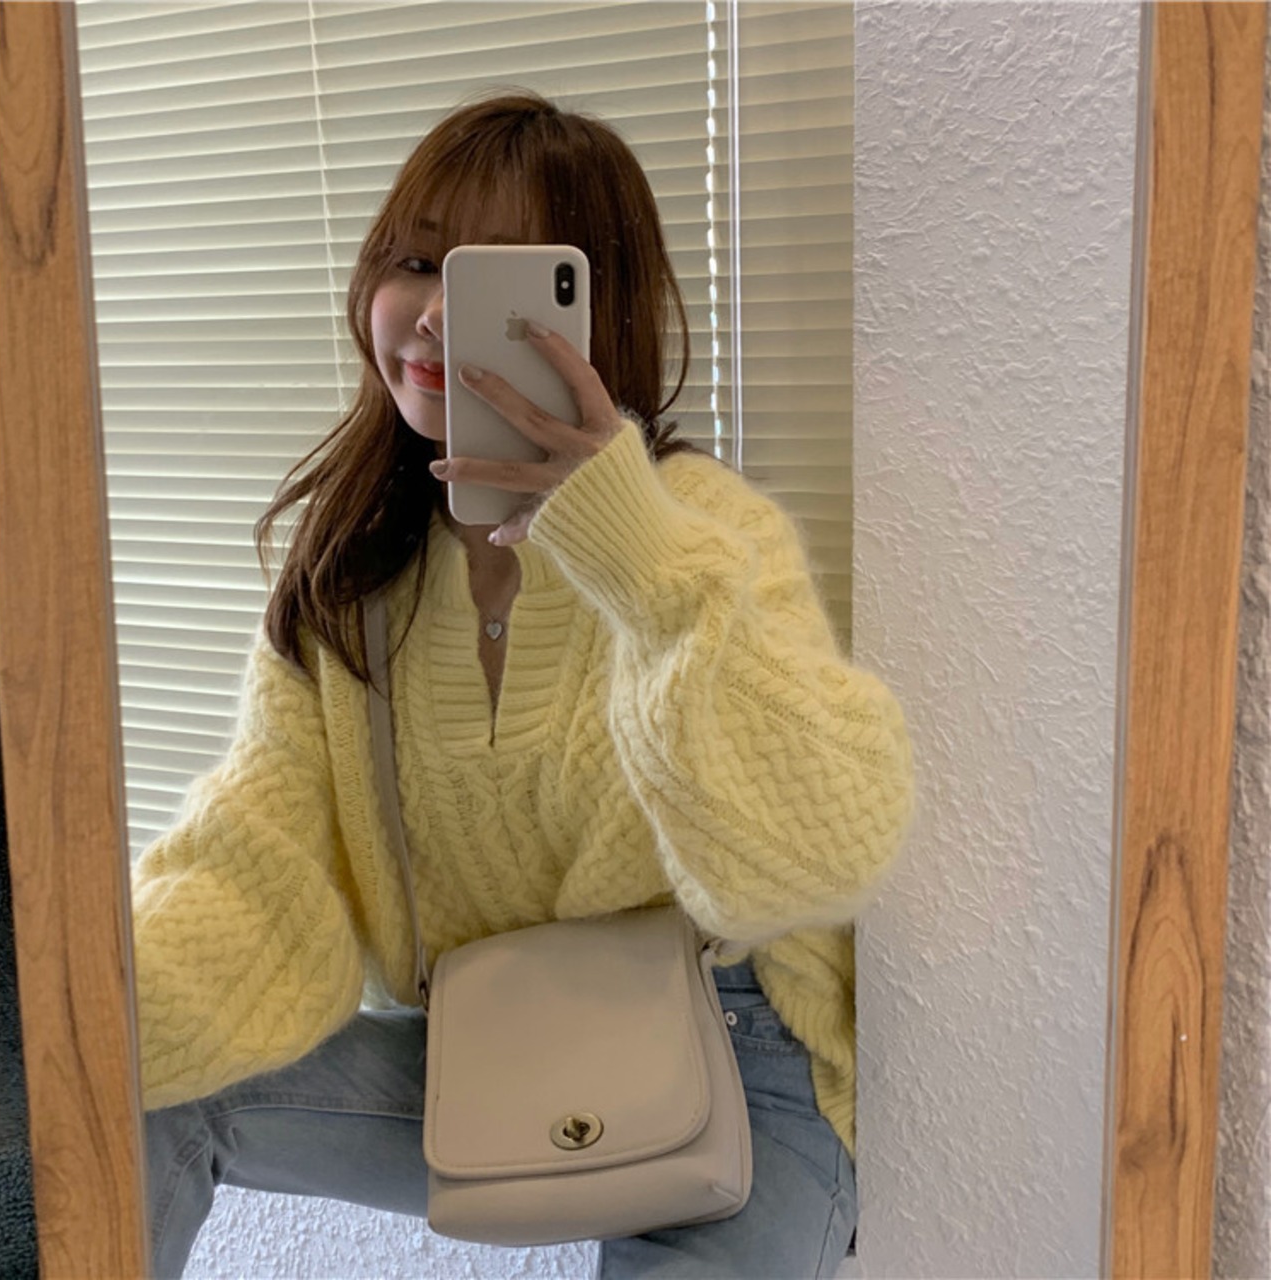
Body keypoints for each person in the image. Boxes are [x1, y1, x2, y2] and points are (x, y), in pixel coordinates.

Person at [135, 90, 915, 1280]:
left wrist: (631, 549)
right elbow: (256, 874)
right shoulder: (351, 576)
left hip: (732, 1057)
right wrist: (73, 1015)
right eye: (416, 260)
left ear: (594, 309)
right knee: (121, 1089)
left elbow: (817, 852)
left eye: (495, 282)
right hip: (485, 1046)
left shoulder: (698, 528)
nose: (436, 313)